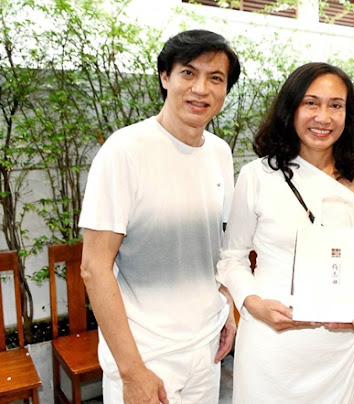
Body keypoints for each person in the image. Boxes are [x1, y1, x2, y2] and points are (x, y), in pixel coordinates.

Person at [79, 29, 241, 404]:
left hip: (206, 346)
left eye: (216, 78)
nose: (201, 89)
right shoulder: (124, 151)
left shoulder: (219, 153)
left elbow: (216, 245)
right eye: (189, 73)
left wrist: (227, 308)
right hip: (146, 354)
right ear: (165, 77)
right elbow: (94, 267)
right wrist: (132, 371)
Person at [216, 62, 354, 403]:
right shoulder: (257, 175)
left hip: (339, 348)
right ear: (290, 108)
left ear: (348, 114)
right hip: (271, 341)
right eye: (311, 103)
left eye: (335, 105)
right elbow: (232, 257)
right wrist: (254, 304)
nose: (323, 117)